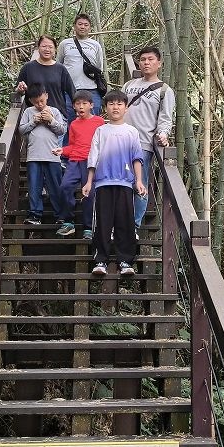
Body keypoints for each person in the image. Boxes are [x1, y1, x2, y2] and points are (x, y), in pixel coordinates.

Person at [82, 90, 146, 276]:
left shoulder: (131, 132)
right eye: (111, 104)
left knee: (125, 222)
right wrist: (88, 182)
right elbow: (93, 158)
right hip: (103, 183)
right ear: (105, 108)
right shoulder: (100, 131)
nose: (115, 107)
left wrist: (139, 181)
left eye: (119, 104)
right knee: (102, 223)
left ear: (126, 108)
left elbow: (137, 158)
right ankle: (100, 260)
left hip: (125, 183)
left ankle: (125, 261)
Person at [122, 47, 175, 230]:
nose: (146, 62)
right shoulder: (128, 85)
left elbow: (165, 118)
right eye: (143, 59)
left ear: (159, 63)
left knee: (140, 183)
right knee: (119, 184)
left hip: (143, 143)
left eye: (150, 59)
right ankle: (118, 224)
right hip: (120, 141)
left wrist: (163, 134)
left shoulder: (165, 90)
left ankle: (133, 226)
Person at [52, 91, 104, 239]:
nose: (81, 106)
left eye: (84, 103)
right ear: (73, 106)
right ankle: (68, 222)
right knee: (65, 186)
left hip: (91, 162)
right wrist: (62, 150)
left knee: (89, 193)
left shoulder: (99, 122)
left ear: (91, 105)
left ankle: (88, 227)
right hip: (74, 161)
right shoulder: (74, 124)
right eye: (77, 104)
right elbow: (72, 145)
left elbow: (103, 143)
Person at [18, 84, 66, 225]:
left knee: (55, 186)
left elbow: (62, 130)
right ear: (31, 101)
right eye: (36, 102)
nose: (39, 104)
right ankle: (34, 215)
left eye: (42, 101)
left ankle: (60, 215)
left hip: (52, 156)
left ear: (47, 96)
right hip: (33, 156)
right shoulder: (28, 112)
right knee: (34, 187)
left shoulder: (55, 111)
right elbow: (21, 130)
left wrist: (51, 120)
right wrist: (34, 121)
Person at [56, 13, 106, 115]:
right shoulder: (65, 44)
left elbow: (99, 68)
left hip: (91, 89)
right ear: (74, 26)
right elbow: (58, 66)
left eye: (86, 25)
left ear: (90, 28)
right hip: (69, 89)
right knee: (68, 120)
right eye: (80, 24)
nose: (83, 27)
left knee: (92, 120)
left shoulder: (96, 45)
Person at [16, 35, 75, 121]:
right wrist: (20, 89)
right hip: (34, 116)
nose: (47, 49)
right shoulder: (28, 67)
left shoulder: (60, 69)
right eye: (44, 46)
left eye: (50, 47)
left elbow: (72, 92)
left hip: (57, 115)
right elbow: (18, 90)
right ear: (38, 47)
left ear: (55, 49)